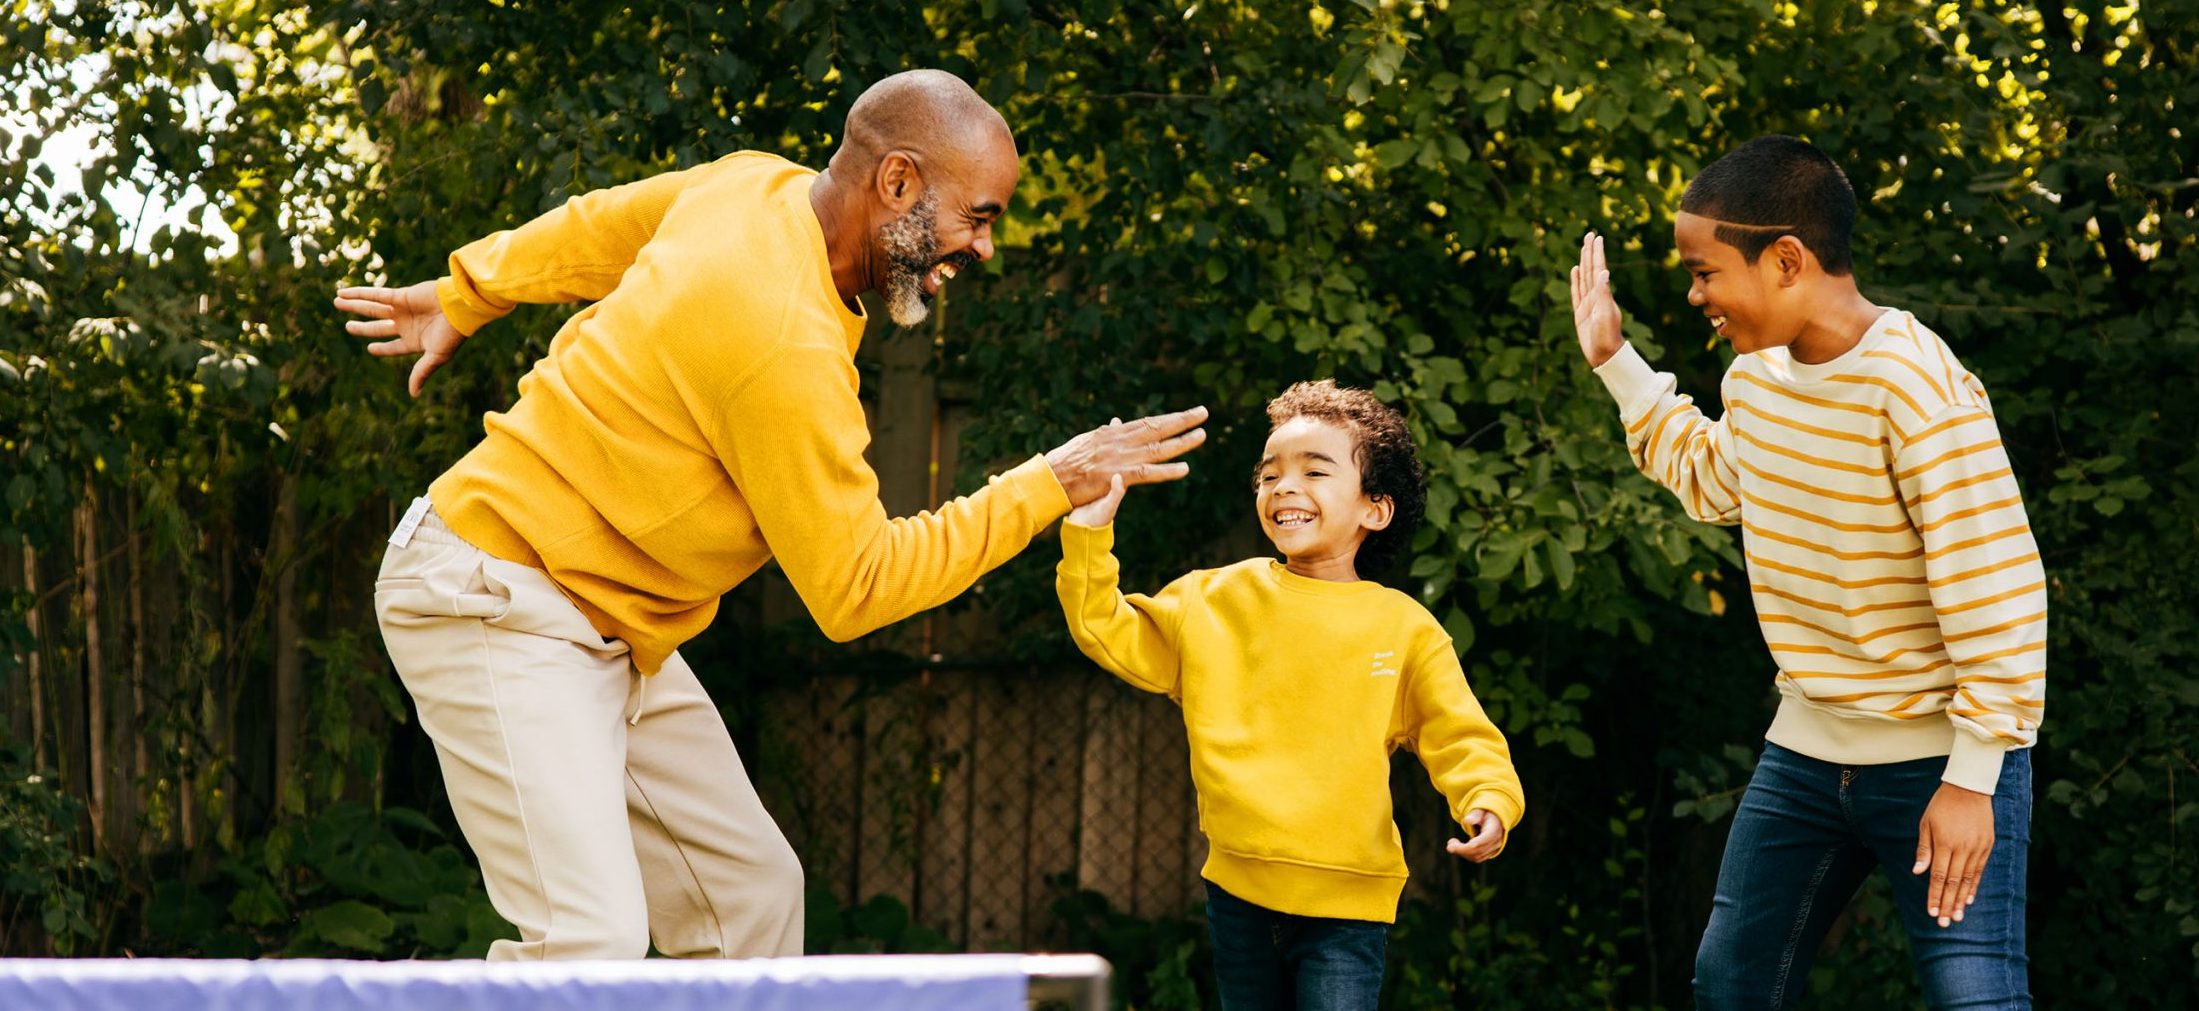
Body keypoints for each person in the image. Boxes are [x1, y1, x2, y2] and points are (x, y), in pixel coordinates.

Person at [336, 69, 1208, 960]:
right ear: (898, 182)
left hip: (610, 624)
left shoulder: (756, 186)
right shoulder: (782, 341)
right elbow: (856, 587)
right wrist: (1049, 482)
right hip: (494, 594)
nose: (984, 247)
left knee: (747, 900)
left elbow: (603, 227)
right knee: (587, 942)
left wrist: (470, 290)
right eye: (976, 216)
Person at [1568, 135, 2046, 1009]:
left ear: (1786, 258)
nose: (1695, 294)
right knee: (1732, 982)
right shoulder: (1757, 379)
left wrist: (1973, 778)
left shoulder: (1916, 388)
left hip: (1942, 758)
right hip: (1805, 753)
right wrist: (1616, 361)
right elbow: (1714, 481)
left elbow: (1999, 590)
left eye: (1706, 271)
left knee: (1973, 998)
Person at [1055, 379, 1524, 1010]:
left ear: (1374, 509)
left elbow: (1459, 734)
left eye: (1315, 470)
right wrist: (1089, 531)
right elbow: (1106, 628)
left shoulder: (1403, 626)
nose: (1284, 487)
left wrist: (1488, 800)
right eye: (1269, 473)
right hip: (1237, 894)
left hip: (1347, 906)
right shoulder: (1211, 599)